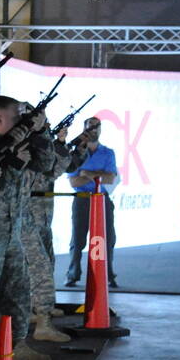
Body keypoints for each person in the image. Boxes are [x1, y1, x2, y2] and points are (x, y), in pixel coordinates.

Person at [0, 96, 57, 360]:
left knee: (19, 295)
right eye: (17, 117)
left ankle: (17, 345)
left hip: (12, 236)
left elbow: (46, 164)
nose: (22, 122)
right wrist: (11, 163)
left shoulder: (19, 143)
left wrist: (41, 132)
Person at [24, 119, 89, 331]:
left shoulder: (42, 150)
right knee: (37, 268)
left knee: (46, 262)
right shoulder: (30, 150)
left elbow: (66, 165)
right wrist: (60, 145)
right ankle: (39, 316)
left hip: (42, 217)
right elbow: (53, 170)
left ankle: (39, 309)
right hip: (30, 217)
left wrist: (69, 146)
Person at [64, 117, 119, 287]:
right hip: (82, 200)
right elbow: (74, 182)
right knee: (78, 239)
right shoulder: (76, 153)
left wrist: (86, 173)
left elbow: (110, 178)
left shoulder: (108, 152)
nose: (94, 130)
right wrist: (99, 175)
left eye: (97, 126)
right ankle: (73, 274)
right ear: (84, 129)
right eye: (90, 127)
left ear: (101, 129)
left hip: (102, 199)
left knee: (108, 238)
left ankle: (108, 275)